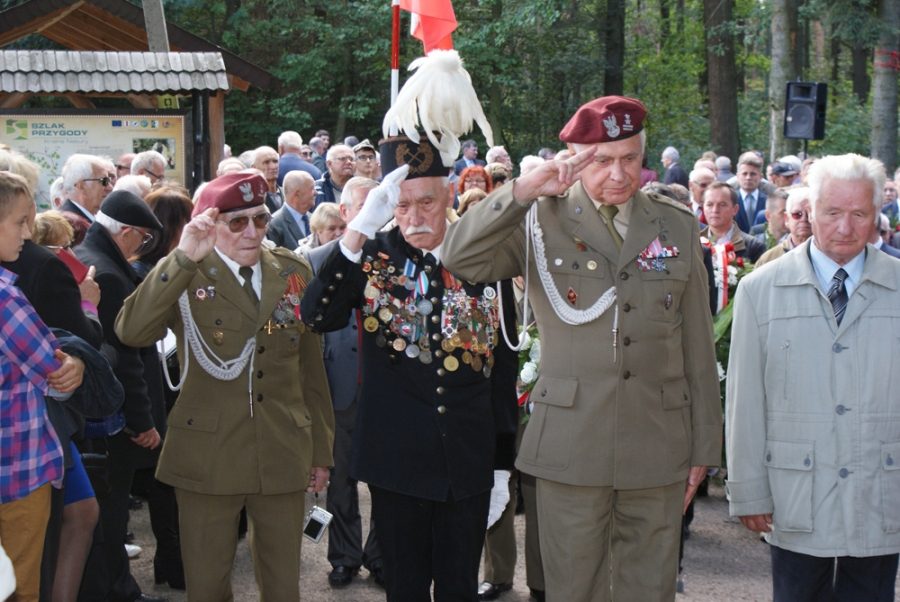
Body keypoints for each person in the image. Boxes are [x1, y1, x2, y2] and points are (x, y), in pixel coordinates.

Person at [443, 95, 722, 602]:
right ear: (573, 159)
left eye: (630, 158)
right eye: (601, 160)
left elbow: (697, 344)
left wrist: (703, 446)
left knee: (650, 588)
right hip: (571, 444)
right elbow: (460, 256)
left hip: (658, 443)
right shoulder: (538, 218)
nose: (618, 173)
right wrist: (522, 190)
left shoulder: (675, 223)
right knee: (573, 588)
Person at [300, 49, 519, 601]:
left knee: (458, 588)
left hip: (467, 457)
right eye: (400, 206)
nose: (414, 218)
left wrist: (500, 464)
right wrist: (358, 230)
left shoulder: (482, 259)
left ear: (449, 195)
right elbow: (316, 315)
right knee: (403, 588)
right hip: (396, 461)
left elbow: (501, 366)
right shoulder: (369, 255)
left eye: (426, 203)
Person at [115, 173, 335, 602]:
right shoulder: (188, 271)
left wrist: (321, 451)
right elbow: (131, 330)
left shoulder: (292, 270)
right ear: (210, 224)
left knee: (283, 585)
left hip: (282, 447)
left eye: (260, 218)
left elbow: (310, 370)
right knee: (207, 584)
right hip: (209, 455)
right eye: (236, 222)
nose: (252, 232)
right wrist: (182, 257)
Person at [726, 153, 900, 602]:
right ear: (807, 211)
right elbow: (745, 402)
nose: (845, 227)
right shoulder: (760, 289)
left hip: (882, 490)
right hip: (796, 492)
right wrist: (748, 492)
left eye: (859, 214)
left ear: (877, 213)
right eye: (832, 212)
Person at [74, 191, 167, 602]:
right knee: (110, 516)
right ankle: (117, 591)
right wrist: (142, 421)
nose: (143, 245)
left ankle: (116, 586)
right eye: (143, 238)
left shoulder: (93, 255)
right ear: (126, 232)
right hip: (115, 419)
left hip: (102, 415)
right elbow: (125, 359)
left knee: (106, 513)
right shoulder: (110, 274)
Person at [0, 171, 85, 602]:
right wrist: (75, 363)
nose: (27, 233)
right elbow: (55, 374)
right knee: (18, 589)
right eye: (19, 222)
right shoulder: (5, 299)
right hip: (17, 471)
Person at [297, 176, 383, 588]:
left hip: (385, 389)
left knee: (386, 481)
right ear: (345, 212)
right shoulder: (316, 259)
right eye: (363, 206)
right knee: (341, 482)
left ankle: (381, 556)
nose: (373, 214)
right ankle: (344, 557)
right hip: (339, 386)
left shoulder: (395, 256)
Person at [701, 182, 766, 263]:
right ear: (703, 208)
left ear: (735, 209)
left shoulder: (754, 247)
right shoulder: (693, 243)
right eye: (709, 205)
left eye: (722, 205)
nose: (715, 210)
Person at [755, 187, 813, 268]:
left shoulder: (828, 254)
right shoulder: (768, 259)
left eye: (809, 214)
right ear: (787, 218)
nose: (803, 219)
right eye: (797, 214)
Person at [268, 171, 317, 250]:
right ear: (297, 194)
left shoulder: (314, 219)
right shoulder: (274, 226)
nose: (316, 192)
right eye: (311, 189)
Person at [61, 154, 114, 222]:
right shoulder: (70, 224)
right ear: (82, 186)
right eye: (104, 181)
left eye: (109, 180)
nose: (110, 187)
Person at [734, 151, 768, 233]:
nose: (748, 177)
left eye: (753, 174)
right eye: (744, 174)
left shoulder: (767, 202)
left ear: (760, 176)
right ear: (737, 176)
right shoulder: (731, 201)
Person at [250, 147, 284, 212]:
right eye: (266, 162)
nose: (273, 167)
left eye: (275, 161)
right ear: (254, 167)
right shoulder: (253, 199)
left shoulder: (287, 194)